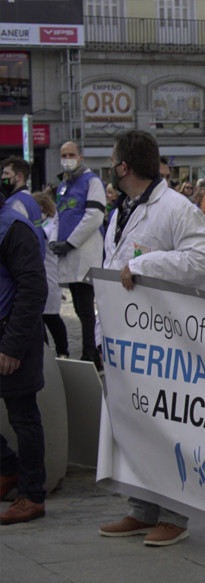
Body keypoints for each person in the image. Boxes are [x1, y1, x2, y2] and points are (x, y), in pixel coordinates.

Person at [99, 129, 205, 546]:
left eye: (113, 162)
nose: (111, 169)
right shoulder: (121, 210)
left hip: (166, 340)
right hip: (126, 337)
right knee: (135, 424)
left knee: (171, 425)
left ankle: (174, 514)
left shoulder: (176, 208)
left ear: (124, 167)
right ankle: (142, 507)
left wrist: (147, 263)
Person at [0, 188, 48, 524]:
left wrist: (12, 346)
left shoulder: (14, 229)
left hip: (14, 335)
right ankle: (7, 469)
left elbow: (33, 288)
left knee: (23, 416)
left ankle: (32, 495)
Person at [52, 141, 104, 369]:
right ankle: (90, 353)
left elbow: (94, 216)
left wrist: (70, 242)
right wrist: (55, 240)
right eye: (64, 154)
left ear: (80, 157)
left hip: (84, 254)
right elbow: (58, 216)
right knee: (80, 309)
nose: (67, 158)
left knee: (85, 310)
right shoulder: (64, 184)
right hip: (70, 256)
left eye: (71, 154)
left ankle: (91, 354)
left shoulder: (91, 181)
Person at [33, 191, 69, 358]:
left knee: (52, 318)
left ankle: (63, 352)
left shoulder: (50, 224)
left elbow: (44, 236)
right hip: (40, 276)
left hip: (50, 276)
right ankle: (46, 354)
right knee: (39, 319)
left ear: (42, 207)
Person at [1, 157, 44, 250]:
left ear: (19, 176)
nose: (2, 177)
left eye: (6, 173)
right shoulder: (30, 200)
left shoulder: (16, 203)